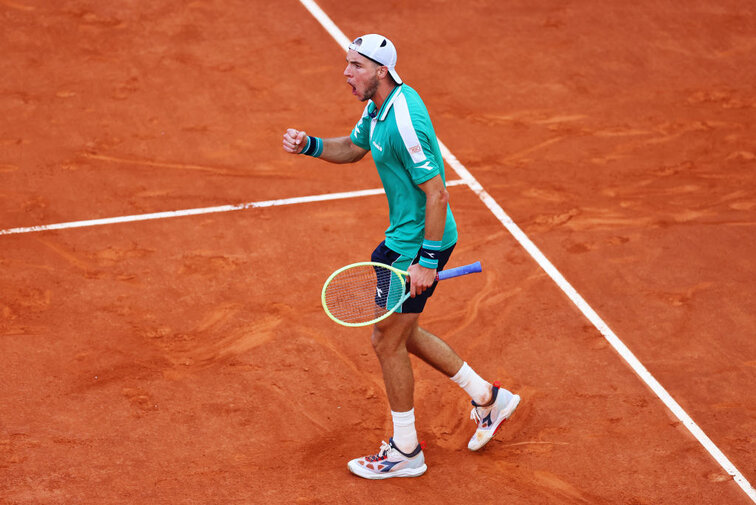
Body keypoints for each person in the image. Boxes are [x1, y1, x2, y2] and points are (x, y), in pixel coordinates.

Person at [282, 34, 520, 479]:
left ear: (381, 71)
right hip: (400, 241)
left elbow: (437, 193)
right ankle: (489, 398)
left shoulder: (406, 118)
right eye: (347, 64)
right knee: (403, 335)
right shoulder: (377, 110)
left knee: (385, 341)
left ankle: (405, 451)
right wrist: (310, 145)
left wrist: (427, 261)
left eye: (355, 66)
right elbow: (354, 148)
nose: (347, 73)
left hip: (418, 245)